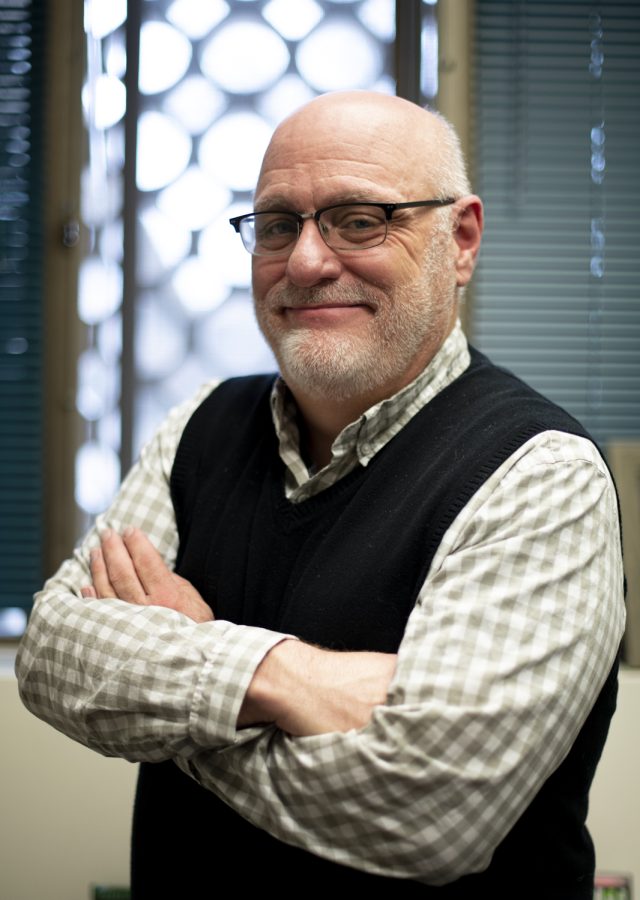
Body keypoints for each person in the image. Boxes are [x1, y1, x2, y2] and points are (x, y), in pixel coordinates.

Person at [16, 92, 624, 897]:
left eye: (361, 220)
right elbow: (55, 652)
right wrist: (285, 675)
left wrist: (182, 698)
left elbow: (427, 810)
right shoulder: (199, 426)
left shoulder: (541, 472)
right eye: (276, 225)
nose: (306, 262)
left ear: (462, 239)